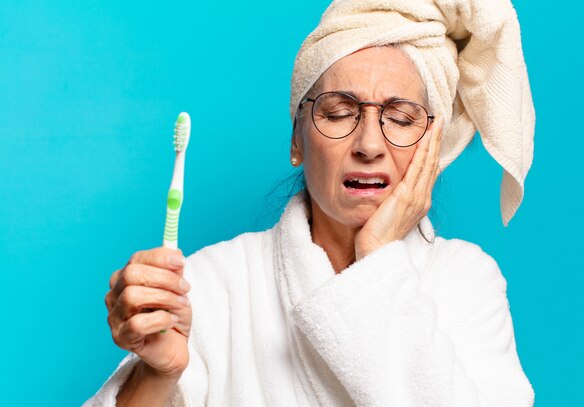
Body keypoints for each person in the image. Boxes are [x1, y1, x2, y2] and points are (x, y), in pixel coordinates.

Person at [85, 0, 535, 405]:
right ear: (297, 140)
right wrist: (158, 374)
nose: (369, 144)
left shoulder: (467, 281)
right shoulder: (212, 283)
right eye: (339, 113)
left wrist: (378, 259)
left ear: (431, 150)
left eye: (400, 119)